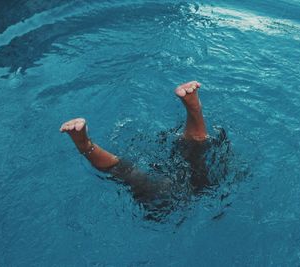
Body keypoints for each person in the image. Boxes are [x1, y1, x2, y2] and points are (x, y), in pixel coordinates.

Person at [60, 81, 210, 210]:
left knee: (195, 159)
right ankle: (85, 146)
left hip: (165, 199)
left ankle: (85, 146)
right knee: (195, 165)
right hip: (176, 199)